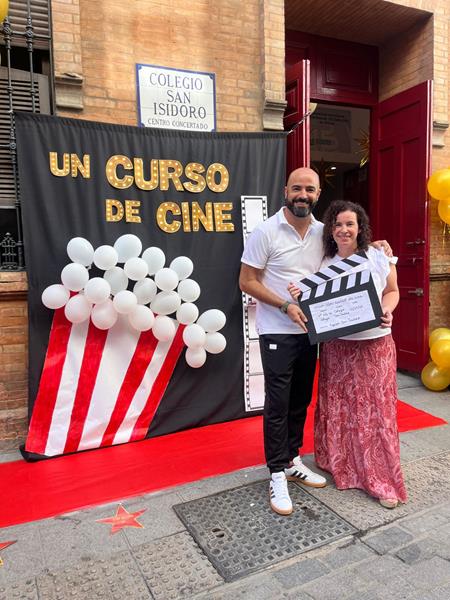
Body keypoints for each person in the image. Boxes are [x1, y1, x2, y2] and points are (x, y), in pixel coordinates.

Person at [289, 200, 407, 509]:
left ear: (360, 227)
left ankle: (381, 478)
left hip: (374, 344)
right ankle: (340, 463)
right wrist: (298, 295)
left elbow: (392, 291)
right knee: (341, 406)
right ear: (330, 229)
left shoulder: (378, 256)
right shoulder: (323, 262)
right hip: (337, 346)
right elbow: (312, 301)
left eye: (350, 224)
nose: (343, 229)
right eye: (338, 224)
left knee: (375, 411)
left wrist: (387, 309)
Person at [239, 167, 327, 516]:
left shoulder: (323, 232)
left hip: (310, 330)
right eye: (297, 188)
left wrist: (377, 247)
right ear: (285, 191)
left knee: (301, 399)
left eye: (309, 189)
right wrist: (284, 305)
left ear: (318, 194)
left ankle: (292, 460)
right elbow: (247, 281)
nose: (302, 195)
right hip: (277, 330)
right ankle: (276, 471)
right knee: (278, 403)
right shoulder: (266, 231)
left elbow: (349, 256)